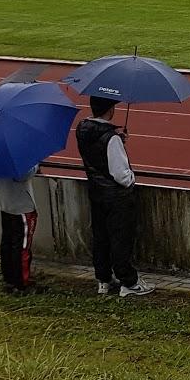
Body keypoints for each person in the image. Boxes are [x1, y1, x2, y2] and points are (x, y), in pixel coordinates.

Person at [76, 97, 153, 297]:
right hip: (116, 197)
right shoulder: (111, 138)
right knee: (120, 239)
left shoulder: (82, 130)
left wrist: (116, 139)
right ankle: (129, 282)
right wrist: (131, 178)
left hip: (96, 192)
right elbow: (121, 175)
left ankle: (103, 278)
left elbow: (98, 152)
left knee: (101, 237)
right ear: (110, 109)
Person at [0, 168, 38, 294]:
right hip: (21, 206)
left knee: (7, 242)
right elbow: (23, 175)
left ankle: (10, 278)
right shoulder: (18, 159)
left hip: (5, 204)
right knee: (22, 246)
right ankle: (21, 283)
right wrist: (35, 166)